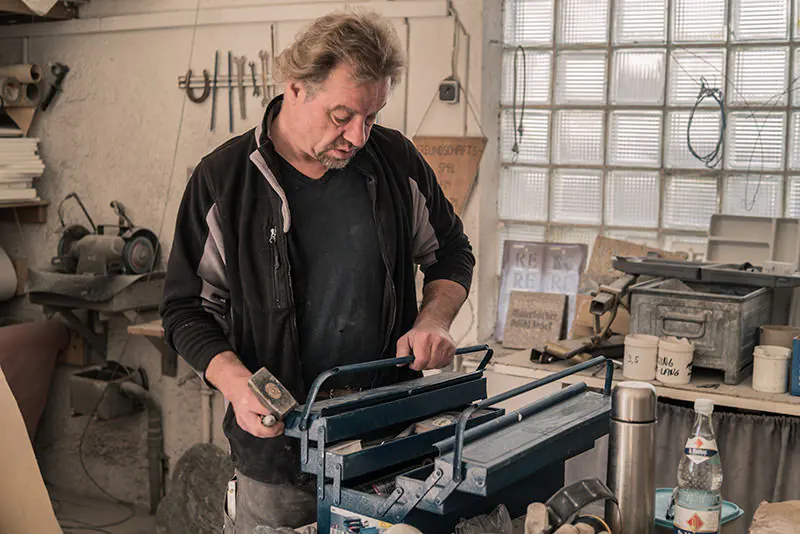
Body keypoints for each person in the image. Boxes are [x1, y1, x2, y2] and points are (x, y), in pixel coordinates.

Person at [160, 10, 475, 532]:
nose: (358, 136)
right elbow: (186, 310)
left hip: (387, 440)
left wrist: (434, 320)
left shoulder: (395, 161)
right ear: (296, 88)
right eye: (342, 115)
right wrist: (237, 384)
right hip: (278, 457)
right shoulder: (225, 180)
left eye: (371, 117)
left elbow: (451, 252)